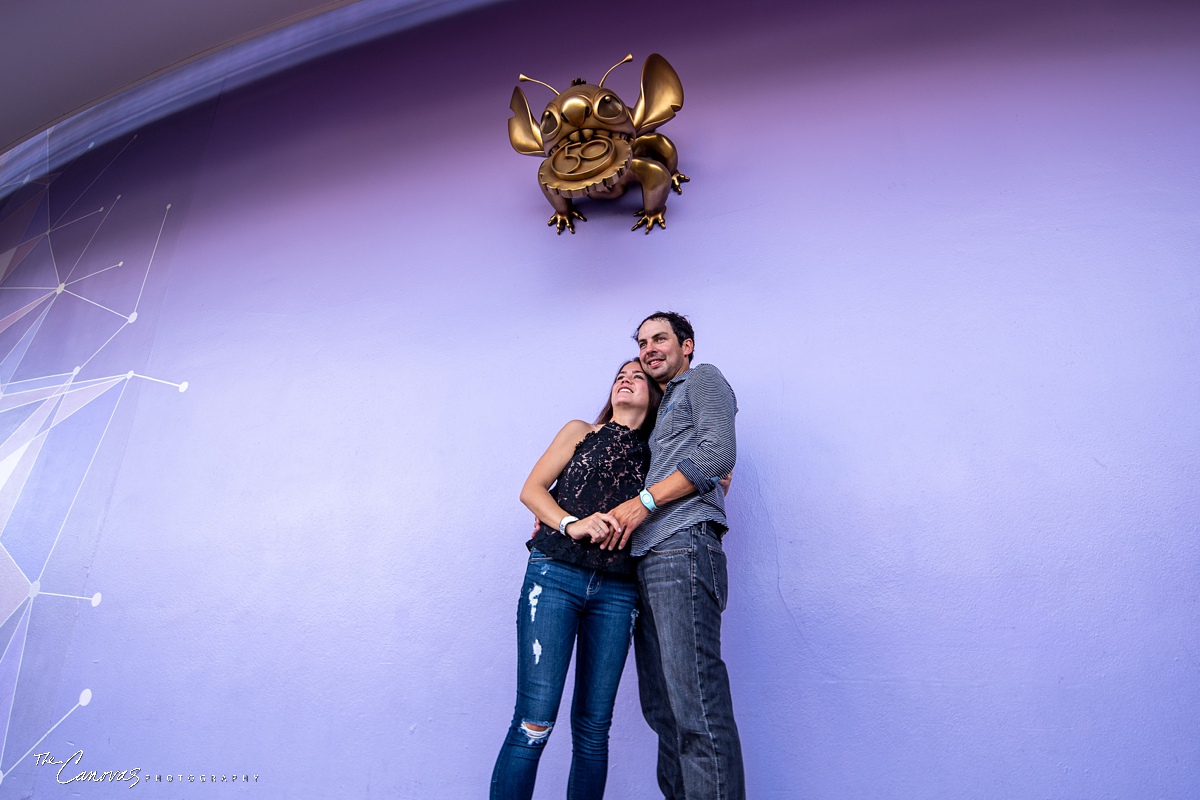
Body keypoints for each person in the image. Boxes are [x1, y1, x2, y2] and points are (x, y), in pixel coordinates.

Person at [491, 360, 664, 800]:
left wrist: (719, 474)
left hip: (619, 591)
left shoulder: (659, 452)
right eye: (620, 374)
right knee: (534, 722)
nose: (626, 379)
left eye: (638, 376)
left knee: (592, 730)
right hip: (554, 576)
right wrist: (573, 523)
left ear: (655, 393)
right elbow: (532, 490)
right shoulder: (580, 431)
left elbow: (697, 475)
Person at [605, 311, 745, 800]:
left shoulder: (703, 380)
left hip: (682, 547)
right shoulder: (660, 411)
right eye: (642, 342)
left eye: (659, 338)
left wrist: (645, 502)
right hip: (644, 562)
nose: (649, 348)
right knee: (663, 712)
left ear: (687, 345)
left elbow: (717, 454)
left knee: (696, 708)